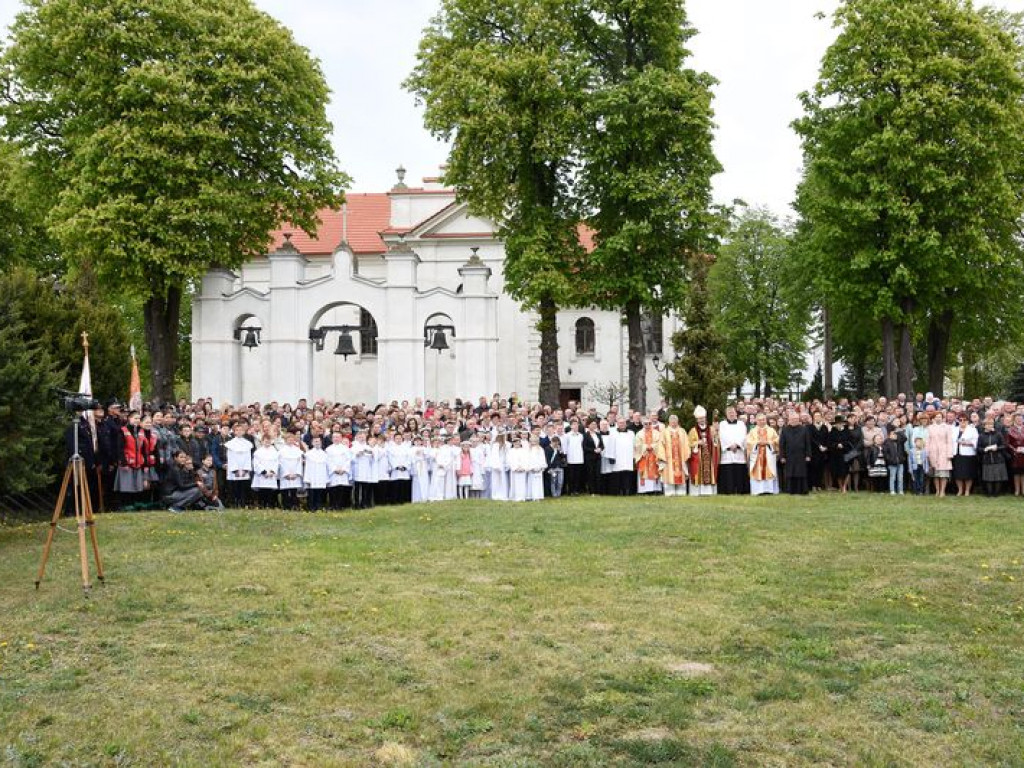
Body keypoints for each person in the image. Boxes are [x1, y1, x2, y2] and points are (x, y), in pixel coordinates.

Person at [687, 406, 719, 496]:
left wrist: (716, 435)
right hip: (698, 457)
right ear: (697, 420)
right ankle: (697, 492)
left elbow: (716, 442)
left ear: (705, 419)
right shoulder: (693, 431)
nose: (702, 420)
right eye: (700, 419)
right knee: (697, 472)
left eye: (703, 418)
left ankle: (708, 492)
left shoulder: (711, 429)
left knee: (710, 471)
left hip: (709, 456)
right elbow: (689, 443)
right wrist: (698, 442)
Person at [778, 411, 812, 495]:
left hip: (801, 455)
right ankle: (791, 490)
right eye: (793, 419)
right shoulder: (785, 430)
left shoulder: (804, 429)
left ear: (799, 419)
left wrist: (808, 455)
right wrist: (782, 456)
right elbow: (782, 444)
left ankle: (802, 490)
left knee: (801, 472)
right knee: (791, 472)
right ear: (789, 419)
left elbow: (808, 443)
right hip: (789, 455)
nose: (794, 420)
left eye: (796, 419)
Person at [717, 407, 748, 495]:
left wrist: (737, 444)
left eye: (733, 412)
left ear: (736, 413)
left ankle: (740, 490)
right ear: (726, 414)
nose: (731, 414)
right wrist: (729, 445)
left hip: (739, 452)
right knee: (728, 472)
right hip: (727, 452)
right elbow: (722, 436)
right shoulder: (722, 424)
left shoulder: (741, 424)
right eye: (729, 412)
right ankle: (728, 490)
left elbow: (743, 435)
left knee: (739, 472)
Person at [657, 415, 691, 497]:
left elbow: (686, 443)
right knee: (669, 475)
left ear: (677, 421)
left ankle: (681, 492)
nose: (673, 423)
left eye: (675, 421)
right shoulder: (664, 432)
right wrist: (663, 456)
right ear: (669, 422)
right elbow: (660, 445)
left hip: (680, 458)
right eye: (672, 421)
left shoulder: (682, 431)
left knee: (681, 474)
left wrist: (686, 454)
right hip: (668, 459)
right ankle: (670, 492)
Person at [746, 413, 779, 495]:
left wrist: (768, 442)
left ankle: (770, 490)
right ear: (756, 421)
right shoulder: (752, 431)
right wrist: (757, 443)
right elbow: (748, 442)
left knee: (770, 470)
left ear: (766, 420)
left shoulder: (771, 430)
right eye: (760, 420)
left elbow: (777, 441)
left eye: (763, 419)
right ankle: (758, 490)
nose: (762, 421)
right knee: (757, 471)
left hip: (769, 455)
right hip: (757, 456)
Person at [225, 422, 255, 508]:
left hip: (244, 469)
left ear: (243, 431)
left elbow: (248, 457)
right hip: (234, 470)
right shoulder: (230, 444)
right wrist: (235, 470)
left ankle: (243, 503)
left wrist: (245, 469)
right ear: (234, 432)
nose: (239, 432)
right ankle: (234, 503)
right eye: (237, 430)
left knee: (244, 487)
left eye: (241, 430)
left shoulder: (247, 443)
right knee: (234, 487)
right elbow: (230, 458)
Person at [978, 417, 1008, 497]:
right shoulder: (981, 436)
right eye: (987, 424)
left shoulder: (998, 434)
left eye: (991, 424)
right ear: (984, 425)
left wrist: (997, 448)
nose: (989, 425)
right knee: (988, 478)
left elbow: (1004, 445)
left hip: (998, 458)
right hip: (987, 459)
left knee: (998, 477)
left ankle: (996, 493)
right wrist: (985, 449)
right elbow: (978, 448)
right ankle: (989, 493)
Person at [927, 412, 954, 498]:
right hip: (933, 451)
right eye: (936, 417)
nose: (938, 418)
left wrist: (949, 453)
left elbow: (950, 441)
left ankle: (943, 491)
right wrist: (927, 452)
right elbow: (928, 440)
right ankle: (937, 490)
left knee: (943, 474)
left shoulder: (947, 427)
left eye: (940, 417)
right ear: (934, 418)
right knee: (936, 474)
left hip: (944, 452)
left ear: (942, 418)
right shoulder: (930, 428)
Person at [608, 418, 638, 496]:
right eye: (620, 423)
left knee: (627, 475)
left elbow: (634, 446)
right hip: (617, 458)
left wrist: (634, 457)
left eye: (623, 423)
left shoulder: (631, 433)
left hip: (628, 457)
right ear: (617, 424)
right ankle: (619, 491)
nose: (622, 424)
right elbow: (610, 446)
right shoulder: (613, 433)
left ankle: (627, 491)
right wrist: (611, 457)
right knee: (618, 475)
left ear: (626, 424)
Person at [952, 414, 978, 498]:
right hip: (957, 454)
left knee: (968, 474)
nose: (962, 422)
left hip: (968, 454)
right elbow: (951, 441)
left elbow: (976, 441)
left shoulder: (972, 429)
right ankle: (960, 490)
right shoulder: (954, 429)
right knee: (958, 474)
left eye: (964, 420)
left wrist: (968, 443)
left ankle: (967, 490)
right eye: (960, 420)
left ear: (967, 421)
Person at [634, 418, 662, 495]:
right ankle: (643, 490)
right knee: (643, 472)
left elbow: (660, 443)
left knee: (655, 471)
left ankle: (655, 490)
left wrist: (652, 446)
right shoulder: (639, 433)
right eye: (646, 424)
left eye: (649, 423)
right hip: (644, 456)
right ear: (643, 424)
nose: (648, 425)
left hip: (654, 455)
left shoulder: (657, 433)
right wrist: (646, 447)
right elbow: (637, 445)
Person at [325, 432, 353, 509]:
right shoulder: (328, 449)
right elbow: (328, 461)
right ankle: (333, 505)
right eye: (334, 437)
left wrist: (344, 469)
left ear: (341, 438)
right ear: (332, 438)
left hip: (343, 471)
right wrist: (335, 469)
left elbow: (348, 460)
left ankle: (342, 505)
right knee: (334, 488)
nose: (336, 439)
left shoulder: (346, 449)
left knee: (342, 488)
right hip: (333, 472)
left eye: (338, 437)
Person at [251, 435, 280, 508]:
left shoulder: (274, 452)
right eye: (265, 440)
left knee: (270, 491)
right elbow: (256, 463)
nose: (267, 442)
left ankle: (270, 505)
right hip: (262, 475)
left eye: (269, 440)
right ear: (262, 441)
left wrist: (272, 471)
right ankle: (262, 505)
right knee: (262, 491)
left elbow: (277, 463)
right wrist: (264, 472)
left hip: (271, 474)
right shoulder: (258, 452)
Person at [278, 432, 304, 510]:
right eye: (288, 439)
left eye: (292, 439)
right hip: (285, 474)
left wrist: (296, 473)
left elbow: (299, 462)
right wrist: (286, 474)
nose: (290, 441)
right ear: (285, 440)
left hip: (295, 473)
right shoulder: (281, 451)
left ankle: (294, 505)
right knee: (285, 491)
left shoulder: (297, 450)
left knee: (293, 491)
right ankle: (286, 506)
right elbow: (280, 463)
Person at [303, 435, 329, 511]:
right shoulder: (308, 454)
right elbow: (307, 467)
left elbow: (326, 467)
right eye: (315, 441)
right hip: (312, 476)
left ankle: (319, 506)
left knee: (320, 492)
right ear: (312, 443)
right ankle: (311, 507)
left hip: (321, 476)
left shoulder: (324, 454)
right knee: (311, 493)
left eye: (319, 441)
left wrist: (326, 478)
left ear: (321, 443)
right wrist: (307, 478)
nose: (317, 443)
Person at [828, 417, 851, 494]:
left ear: (843, 423)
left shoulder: (847, 431)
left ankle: (845, 487)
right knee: (837, 472)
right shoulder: (832, 432)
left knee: (846, 471)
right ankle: (841, 487)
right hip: (835, 455)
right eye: (837, 423)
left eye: (840, 423)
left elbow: (850, 442)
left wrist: (843, 445)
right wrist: (836, 445)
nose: (839, 424)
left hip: (846, 454)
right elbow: (829, 443)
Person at [808, 411, 830, 491]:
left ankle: (819, 485)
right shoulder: (810, 427)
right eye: (816, 416)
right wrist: (819, 446)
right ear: (813, 417)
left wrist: (826, 447)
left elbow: (827, 438)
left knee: (821, 468)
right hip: (814, 451)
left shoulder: (824, 427)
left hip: (823, 452)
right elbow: (811, 439)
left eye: (819, 416)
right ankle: (814, 485)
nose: (817, 417)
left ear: (821, 417)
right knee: (814, 468)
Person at [582, 421, 604, 495]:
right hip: (589, 457)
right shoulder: (585, 435)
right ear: (588, 425)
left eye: (595, 424)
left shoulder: (598, 434)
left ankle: (598, 490)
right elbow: (584, 447)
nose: (594, 425)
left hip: (598, 457)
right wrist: (593, 450)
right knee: (590, 474)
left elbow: (602, 445)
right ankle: (592, 491)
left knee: (597, 474)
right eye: (592, 424)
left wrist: (600, 449)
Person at [1005, 413, 1024, 497]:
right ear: (1014, 420)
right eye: (1017, 418)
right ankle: (1017, 490)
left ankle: (1023, 490)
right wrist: (1014, 450)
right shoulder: (1010, 429)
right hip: (1015, 455)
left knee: (1023, 473)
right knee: (1016, 473)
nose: (1019, 420)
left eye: (1020, 418)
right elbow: (1007, 443)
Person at [883, 429, 906, 495]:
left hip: (900, 462)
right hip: (892, 463)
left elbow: (905, 438)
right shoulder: (886, 442)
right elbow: (885, 453)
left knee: (900, 477)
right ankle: (892, 490)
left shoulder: (899, 441)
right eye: (893, 434)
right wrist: (890, 460)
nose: (894, 435)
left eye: (895, 434)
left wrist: (899, 432)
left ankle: (900, 490)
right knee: (892, 477)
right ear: (889, 435)